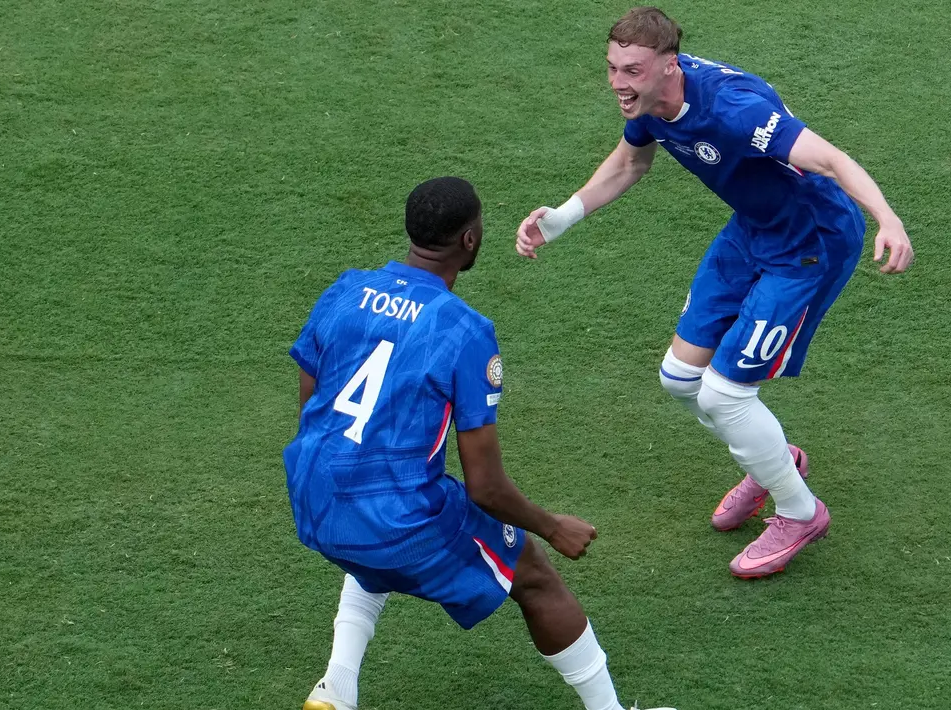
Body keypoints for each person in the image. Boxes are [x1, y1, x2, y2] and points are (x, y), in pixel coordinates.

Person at [514, 7, 914, 579]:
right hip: (751, 230)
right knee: (679, 380)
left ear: (668, 66)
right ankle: (776, 461)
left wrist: (888, 220)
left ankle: (800, 511)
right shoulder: (652, 103)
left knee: (725, 395)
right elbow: (630, 163)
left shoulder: (734, 111)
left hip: (809, 244)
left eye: (631, 70)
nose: (618, 84)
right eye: (611, 68)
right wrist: (558, 220)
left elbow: (829, 159)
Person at [284, 177, 673, 710]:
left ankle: (336, 689)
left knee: (373, 534)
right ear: (469, 240)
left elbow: (311, 404)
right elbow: (486, 489)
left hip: (313, 497)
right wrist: (553, 526)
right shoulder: (463, 330)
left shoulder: (346, 289)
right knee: (531, 572)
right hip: (391, 520)